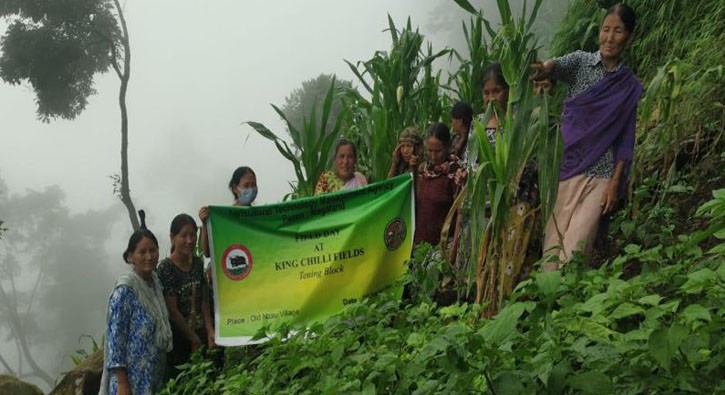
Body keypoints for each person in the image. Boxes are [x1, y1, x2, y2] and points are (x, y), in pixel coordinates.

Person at [532, 3, 643, 269]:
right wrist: (541, 68)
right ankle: (548, 305)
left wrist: (615, 184)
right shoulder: (581, 62)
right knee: (551, 247)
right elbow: (553, 66)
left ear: (629, 37)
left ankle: (568, 301)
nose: (609, 37)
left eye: (618, 31)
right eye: (606, 29)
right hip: (566, 167)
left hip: (601, 176)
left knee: (576, 249)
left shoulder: (628, 86)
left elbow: (625, 141)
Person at [100, 210, 172, 395]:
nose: (149, 256)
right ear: (130, 256)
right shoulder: (125, 291)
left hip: (153, 376)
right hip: (131, 382)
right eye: (142, 252)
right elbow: (116, 340)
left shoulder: (155, 283)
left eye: (153, 250)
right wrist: (123, 384)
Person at [157, 214, 214, 377]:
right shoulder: (166, 269)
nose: (190, 240)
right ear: (172, 238)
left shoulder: (197, 263)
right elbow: (173, 312)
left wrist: (210, 330)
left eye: (193, 235)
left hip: (202, 334)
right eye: (184, 235)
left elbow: (203, 300)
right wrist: (193, 339)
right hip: (180, 341)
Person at [414, 123, 460, 246]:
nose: (433, 156)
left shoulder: (456, 174)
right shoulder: (424, 170)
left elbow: (460, 213)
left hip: (442, 246)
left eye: (438, 151)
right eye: (429, 151)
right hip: (420, 243)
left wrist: (453, 247)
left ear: (448, 147)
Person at [199, 166, 257, 258]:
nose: (251, 189)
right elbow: (207, 253)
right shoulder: (224, 218)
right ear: (235, 188)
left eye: (253, 185)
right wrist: (205, 223)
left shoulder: (261, 216)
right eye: (246, 185)